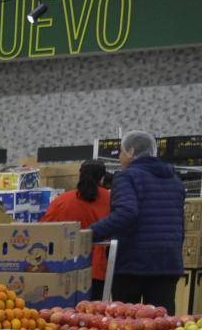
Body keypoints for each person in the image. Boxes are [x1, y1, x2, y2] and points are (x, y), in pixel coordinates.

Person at [87, 131, 186, 310]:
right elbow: (180, 223)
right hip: (168, 263)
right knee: (161, 321)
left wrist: (90, 233)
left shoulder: (127, 177)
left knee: (126, 320)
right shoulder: (174, 180)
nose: (119, 157)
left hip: (133, 263)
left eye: (121, 151)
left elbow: (126, 213)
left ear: (131, 151)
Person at [42, 160, 111, 303]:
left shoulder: (62, 200)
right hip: (98, 268)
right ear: (102, 178)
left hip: (66, 266)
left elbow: (45, 229)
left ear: (80, 175)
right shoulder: (112, 199)